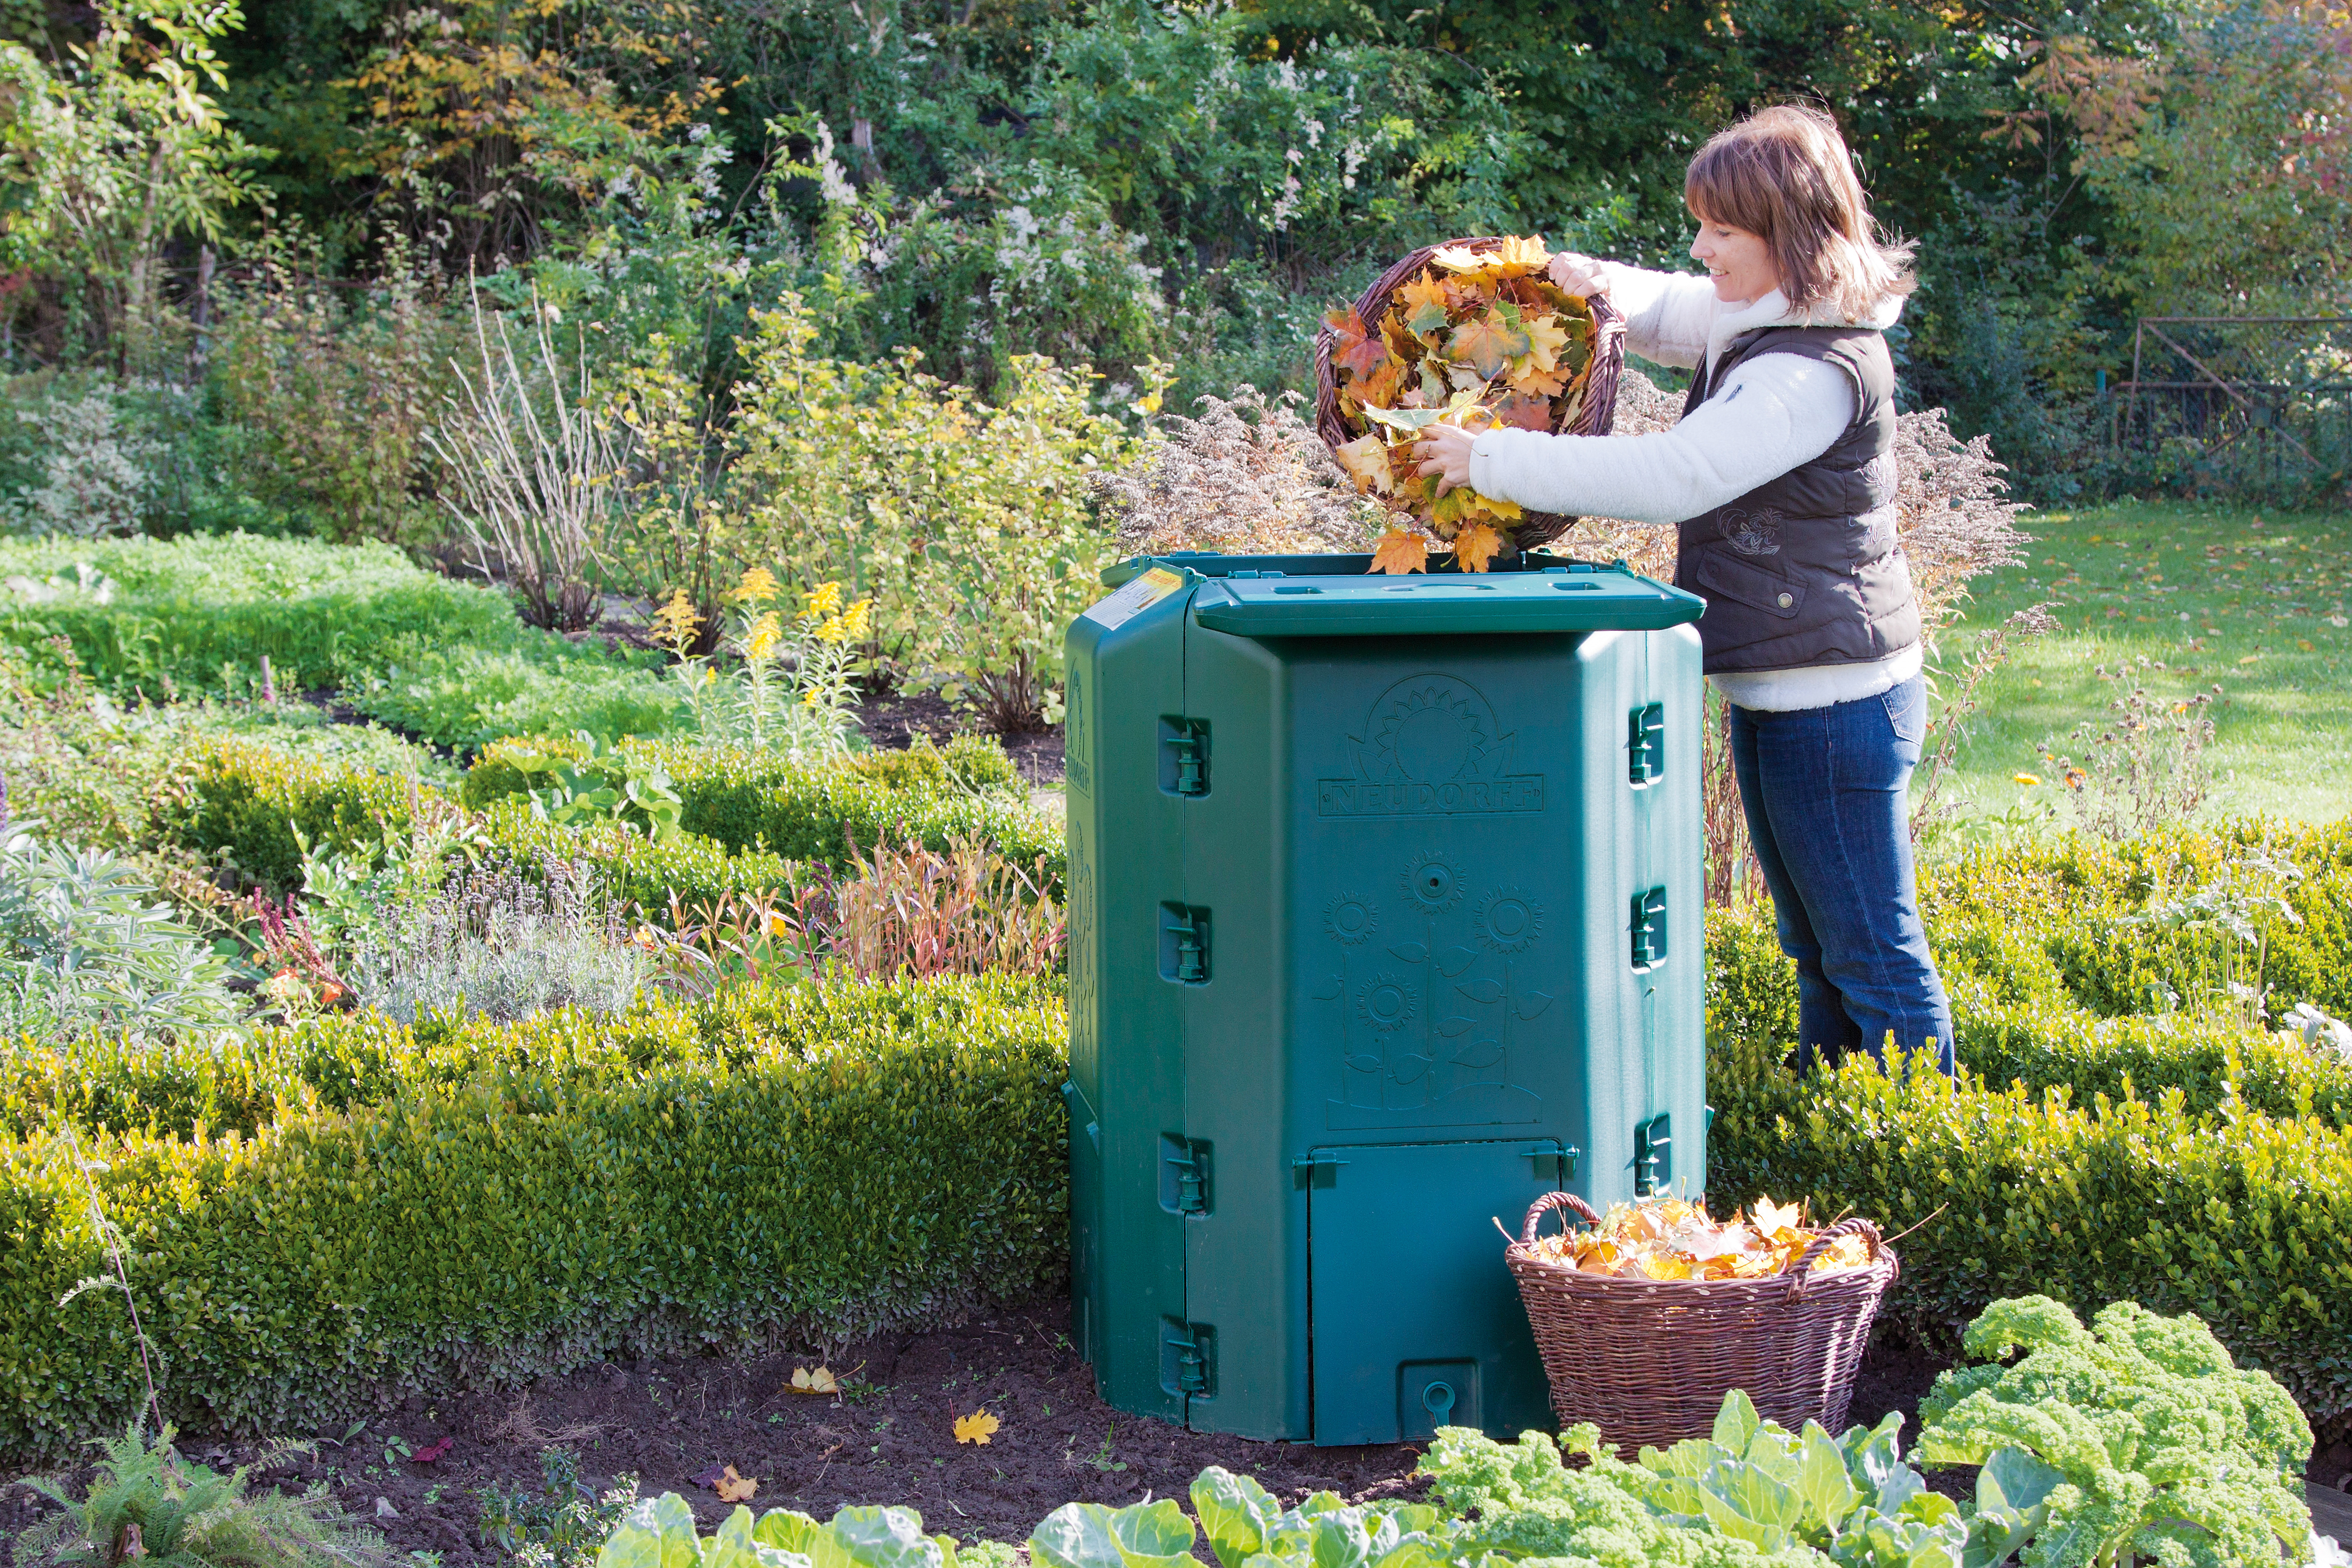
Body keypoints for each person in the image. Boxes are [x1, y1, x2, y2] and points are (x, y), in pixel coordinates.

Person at [1411, 103, 1955, 1075]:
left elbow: (1677, 477)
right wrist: (1585, 281)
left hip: (1833, 704)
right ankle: (1832, 1127)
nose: (1700, 247)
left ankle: (1918, 1145)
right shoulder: (1776, 307)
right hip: (1793, 688)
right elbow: (1668, 309)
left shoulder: (1809, 372)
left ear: (1786, 238)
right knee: (1819, 951)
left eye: (1721, 230)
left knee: (1869, 952)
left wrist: (1490, 457)